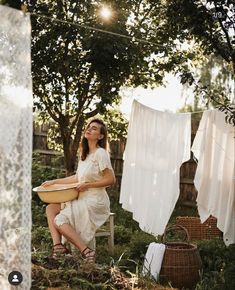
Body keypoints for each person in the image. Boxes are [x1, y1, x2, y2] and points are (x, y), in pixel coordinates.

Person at [41, 118, 116, 262]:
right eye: (89, 126)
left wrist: (88, 185)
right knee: (51, 209)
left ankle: (86, 251)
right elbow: (77, 178)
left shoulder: (101, 154)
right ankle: (58, 247)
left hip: (95, 201)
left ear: (100, 136)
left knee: (59, 219)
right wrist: (53, 182)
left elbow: (111, 180)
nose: (89, 129)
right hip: (82, 197)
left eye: (94, 128)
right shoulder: (85, 155)